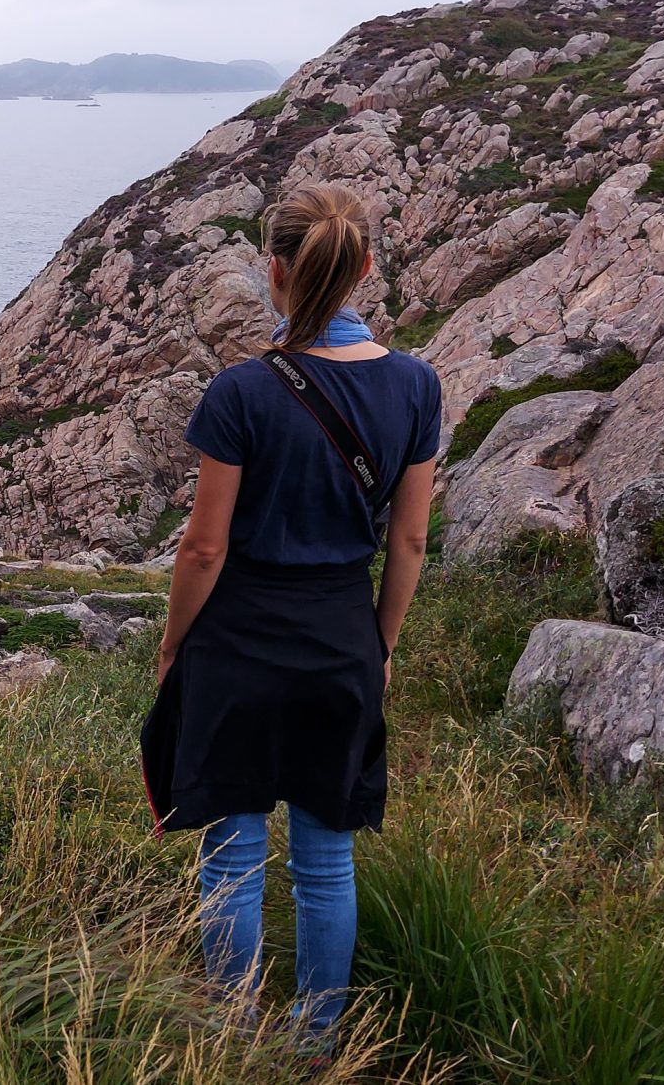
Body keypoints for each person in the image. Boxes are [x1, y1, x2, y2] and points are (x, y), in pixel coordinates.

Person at [140, 182, 441, 1046]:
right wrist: (378, 644)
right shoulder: (415, 386)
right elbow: (410, 542)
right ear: (365, 269)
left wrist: (172, 647)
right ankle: (317, 1045)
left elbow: (203, 548)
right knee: (325, 860)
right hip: (340, 637)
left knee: (231, 857)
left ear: (273, 271)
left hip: (235, 644)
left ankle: (234, 1039)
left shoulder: (240, 392)